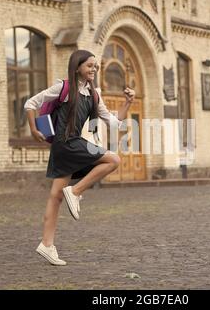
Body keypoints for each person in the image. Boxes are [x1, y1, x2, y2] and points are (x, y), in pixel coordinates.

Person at [24, 50, 135, 266]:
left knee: (55, 196)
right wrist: (33, 129)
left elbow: (113, 122)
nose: (93, 69)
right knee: (113, 160)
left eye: (95, 66)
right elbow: (31, 103)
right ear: (77, 67)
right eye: (89, 66)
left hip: (67, 147)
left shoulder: (93, 95)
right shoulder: (63, 88)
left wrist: (128, 103)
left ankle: (47, 245)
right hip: (67, 143)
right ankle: (75, 192)